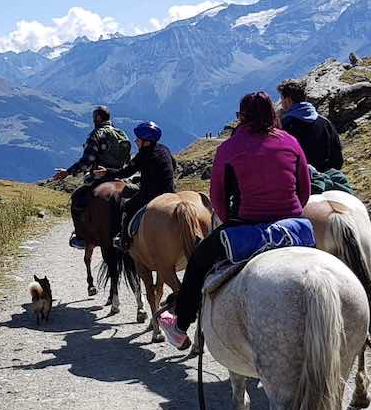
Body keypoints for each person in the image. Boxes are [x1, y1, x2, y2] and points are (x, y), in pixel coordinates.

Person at [158, 91, 311, 350]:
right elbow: (304, 191)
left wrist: (231, 221)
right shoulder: (290, 141)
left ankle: (181, 325)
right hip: (295, 228)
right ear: (273, 114)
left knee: (197, 262)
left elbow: (217, 197)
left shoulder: (230, 147)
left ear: (242, 116)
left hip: (247, 226)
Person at [51, 105, 133, 250]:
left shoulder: (97, 134)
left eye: (94, 117)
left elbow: (87, 160)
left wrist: (68, 172)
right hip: (120, 176)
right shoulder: (121, 134)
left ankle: (80, 237)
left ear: (98, 118)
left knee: (77, 198)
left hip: (99, 177)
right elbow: (127, 159)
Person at [92, 121, 177, 251]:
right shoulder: (164, 149)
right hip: (170, 192)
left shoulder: (143, 154)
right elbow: (174, 165)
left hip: (152, 194)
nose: (136, 141)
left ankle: (123, 239)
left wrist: (106, 172)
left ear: (147, 142)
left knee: (128, 207)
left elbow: (125, 173)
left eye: (138, 139)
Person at [277, 79, 343, 175]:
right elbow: (338, 157)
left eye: (282, 99)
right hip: (328, 176)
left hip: (302, 181)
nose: (282, 103)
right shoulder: (325, 122)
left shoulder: (285, 126)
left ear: (288, 100)